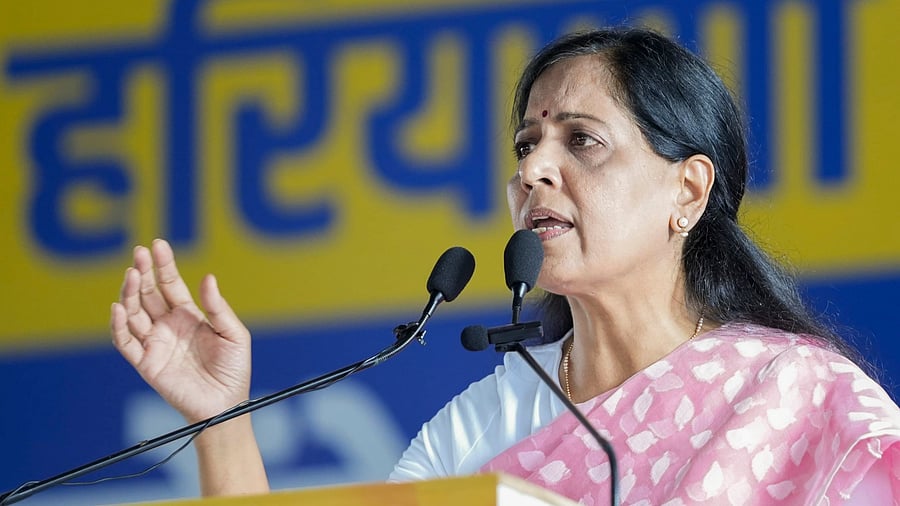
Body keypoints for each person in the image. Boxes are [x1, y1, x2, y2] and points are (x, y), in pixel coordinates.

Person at [111, 27, 900, 504]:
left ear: (686, 191)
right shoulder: (484, 426)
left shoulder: (797, 399)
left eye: (580, 141)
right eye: (526, 146)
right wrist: (218, 417)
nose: (533, 172)